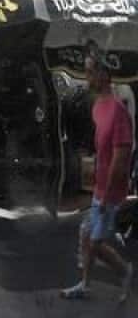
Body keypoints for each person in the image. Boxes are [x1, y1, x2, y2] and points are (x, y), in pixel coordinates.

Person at [63, 54, 135, 302]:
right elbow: (101, 151)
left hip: (112, 192)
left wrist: (106, 196)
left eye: (90, 72)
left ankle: (125, 271)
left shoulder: (117, 110)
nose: (87, 77)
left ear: (103, 75)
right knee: (87, 236)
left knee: (94, 243)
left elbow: (120, 158)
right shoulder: (98, 107)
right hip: (99, 186)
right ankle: (85, 284)